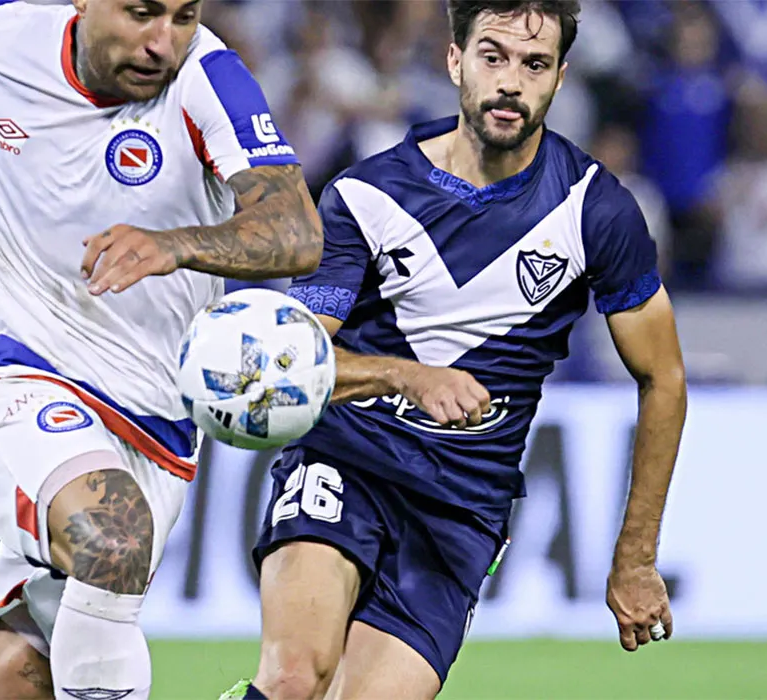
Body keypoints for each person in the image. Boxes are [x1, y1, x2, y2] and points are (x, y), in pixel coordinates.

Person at [0, 0, 321, 698]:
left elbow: (296, 229)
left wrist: (175, 248)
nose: (161, 42)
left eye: (182, 16)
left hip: (157, 427)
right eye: (142, 14)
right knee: (112, 539)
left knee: (21, 668)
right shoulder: (1, 35)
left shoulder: (208, 76)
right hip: (20, 378)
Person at [223, 2, 687, 699]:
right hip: (346, 461)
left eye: (533, 65)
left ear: (560, 78)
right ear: (454, 61)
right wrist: (409, 377)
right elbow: (297, 363)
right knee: (295, 677)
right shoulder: (367, 194)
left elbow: (665, 378)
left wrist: (636, 557)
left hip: (461, 506)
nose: (510, 82)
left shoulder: (596, 210)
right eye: (491, 56)